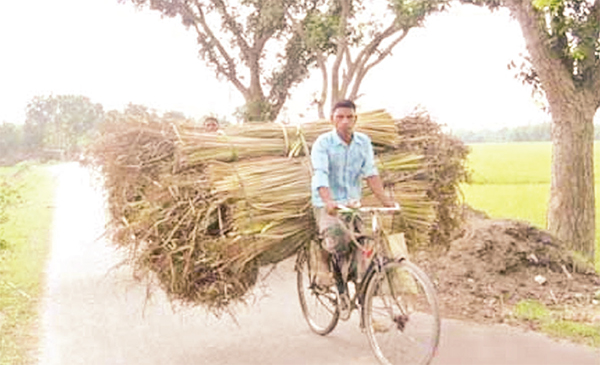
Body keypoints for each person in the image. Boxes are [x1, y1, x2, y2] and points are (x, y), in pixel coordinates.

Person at [310, 99, 396, 318]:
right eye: (340, 117)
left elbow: (371, 173)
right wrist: (329, 201)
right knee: (337, 240)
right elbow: (320, 174)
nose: (345, 121)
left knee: (364, 246)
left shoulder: (363, 142)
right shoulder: (323, 143)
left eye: (349, 117)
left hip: (353, 204)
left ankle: (362, 298)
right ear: (332, 119)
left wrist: (387, 202)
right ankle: (333, 278)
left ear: (356, 119)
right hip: (328, 204)